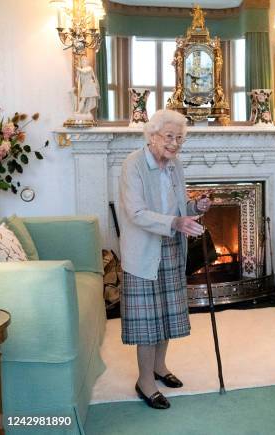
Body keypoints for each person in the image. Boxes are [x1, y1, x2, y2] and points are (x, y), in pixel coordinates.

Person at [118, 109, 211, 410]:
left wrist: (195, 205)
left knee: (167, 316)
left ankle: (160, 367)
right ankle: (145, 380)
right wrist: (175, 222)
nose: (174, 144)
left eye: (179, 138)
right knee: (148, 322)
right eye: (169, 137)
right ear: (152, 135)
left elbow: (179, 204)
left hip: (170, 248)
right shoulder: (133, 165)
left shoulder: (174, 165)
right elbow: (136, 213)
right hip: (144, 253)